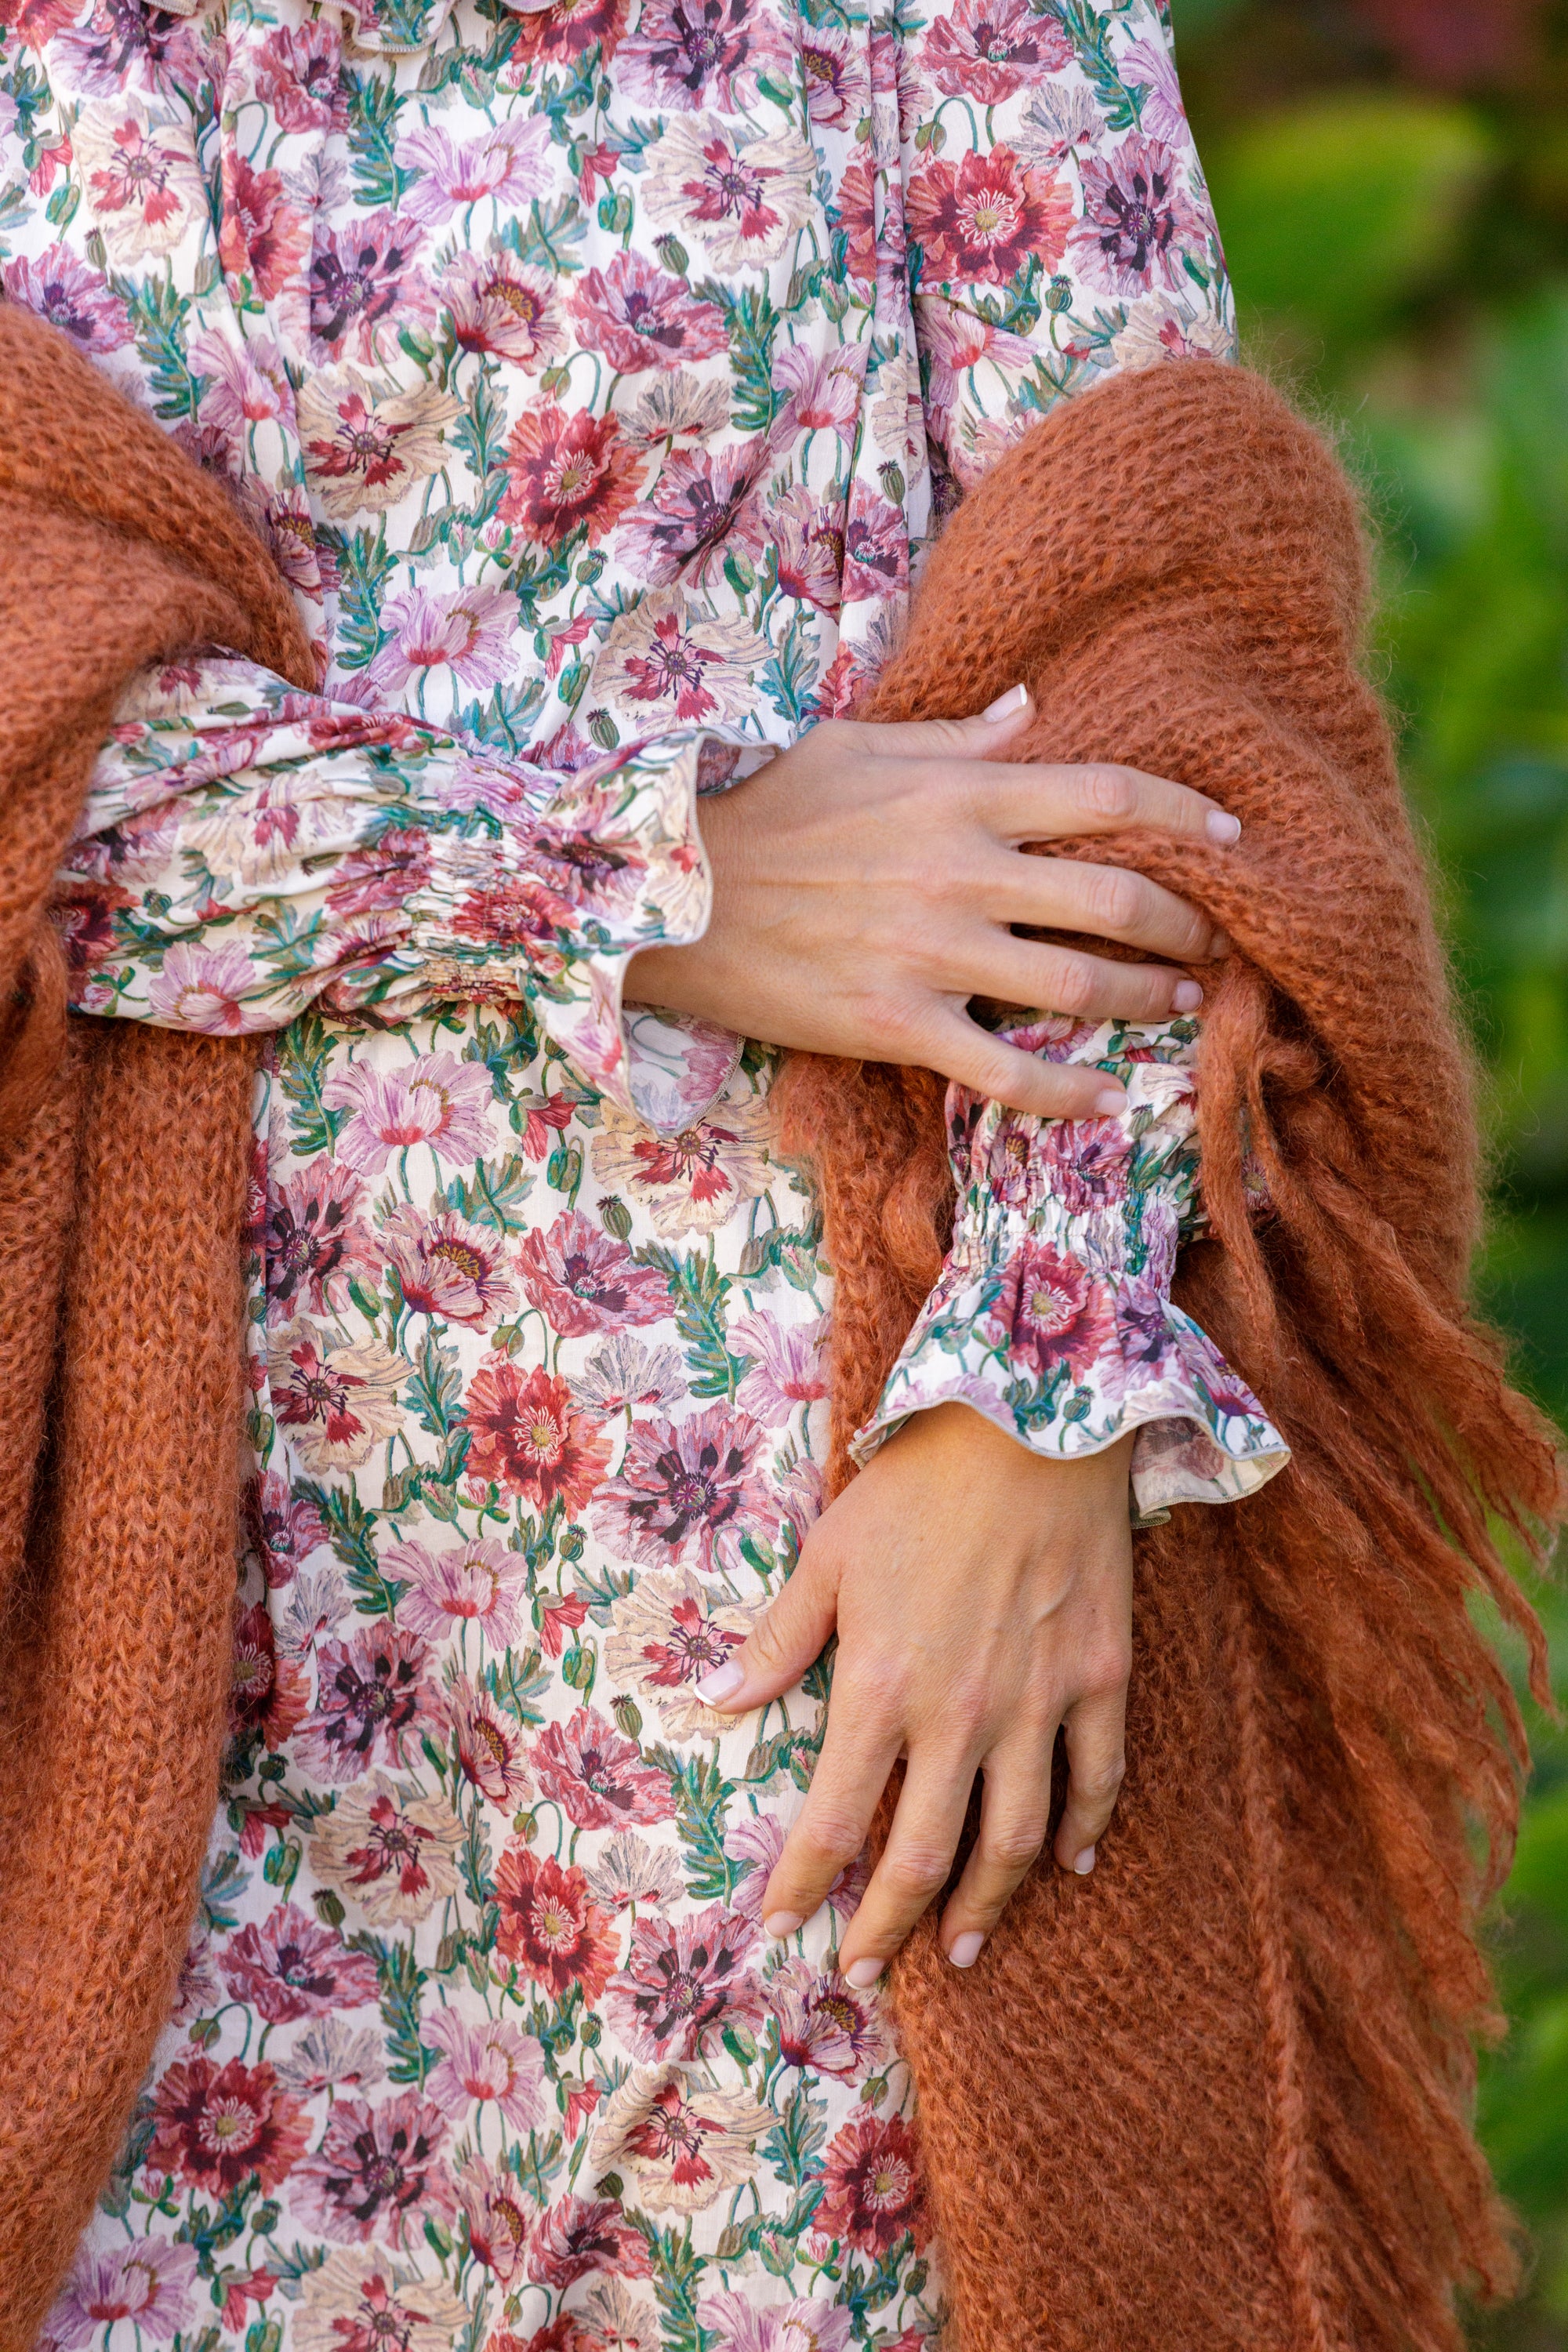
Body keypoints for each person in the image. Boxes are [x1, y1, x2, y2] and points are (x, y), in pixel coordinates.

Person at [0, 0, 1287, 2339]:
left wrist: (1035, 1398)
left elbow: (1173, 684)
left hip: (799, 1601)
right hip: (156, 1601)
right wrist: (663, 873)